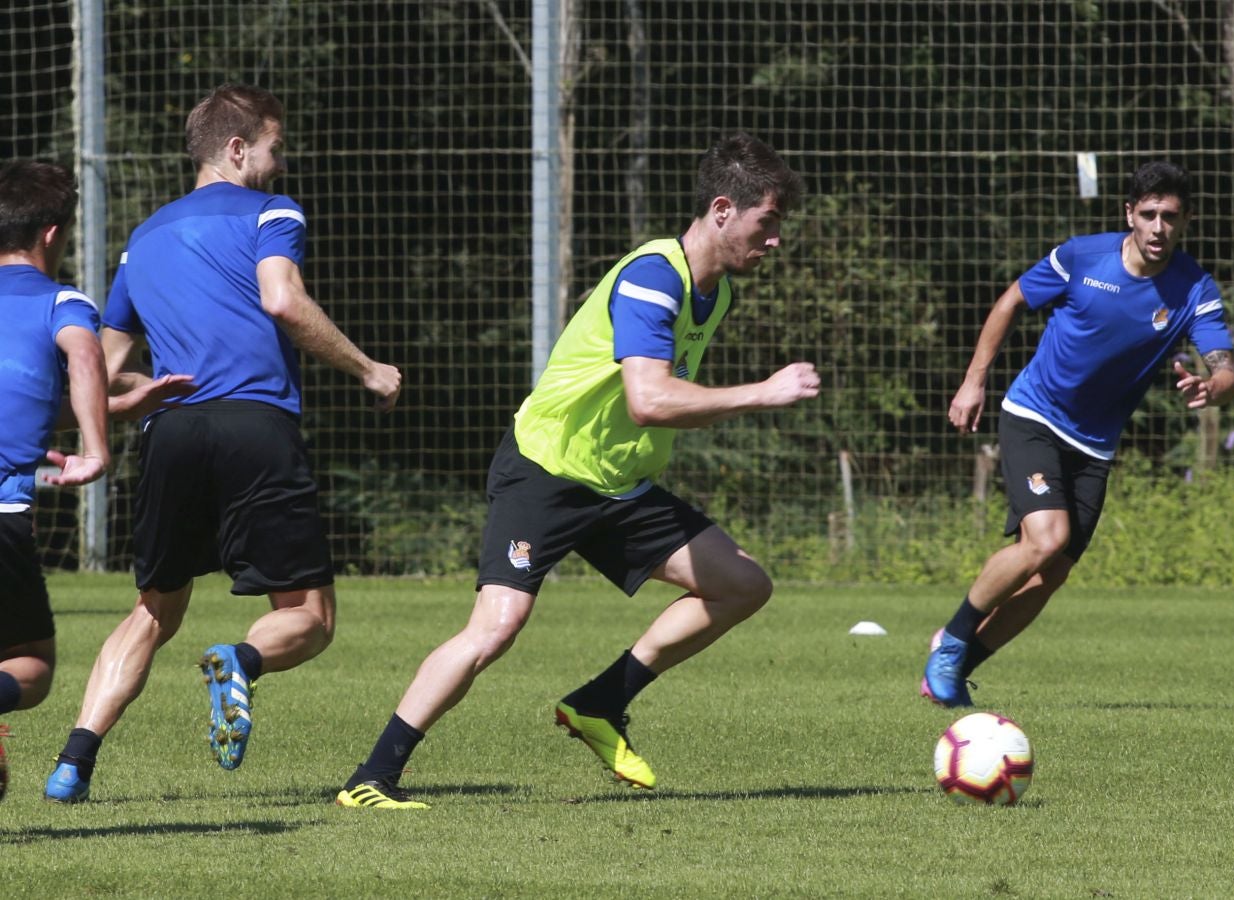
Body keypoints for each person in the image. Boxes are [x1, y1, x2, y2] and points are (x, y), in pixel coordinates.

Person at [336, 133, 817, 809]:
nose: (774, 241)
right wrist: (762, 392)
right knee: (497, 626)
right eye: (767, 224)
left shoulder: (717, 296)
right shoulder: (654, 278)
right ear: (721, 211)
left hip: (618, 484)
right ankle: (371, 778)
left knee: (740, 584)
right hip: (548, 472)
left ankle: (600, 703)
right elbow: (648, 400)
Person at [44, 84, 402, 803]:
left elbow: (103, 373)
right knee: (309, 617)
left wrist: (138, 397)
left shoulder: (142, 238)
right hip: (254, 428)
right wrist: (369, 368)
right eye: (275, 148)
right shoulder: (272, 211)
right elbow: (281, 298)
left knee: (153, 609)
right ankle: (238, 659)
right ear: (237, 150)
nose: (280, 162)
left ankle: (72, 762)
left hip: (169, 434)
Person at [922, 160, 1234, 707]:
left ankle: (952, 674)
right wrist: (973, 383)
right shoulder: (1081, 257)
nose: (1159, 227)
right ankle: (951, 641)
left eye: (1170, 216)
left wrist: (1216, 386)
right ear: (1129, 215)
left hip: (1094, 445)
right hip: (1034, 415)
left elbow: (1227, 364)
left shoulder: (1193, 286)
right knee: (1047, 538)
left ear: (1184, 221)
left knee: (1050, 576)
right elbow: (1011, 301)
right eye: (1149, 214)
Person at [0, 160, 187, 801]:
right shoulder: (63, 302)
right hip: (3, 516)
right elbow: (85, 356)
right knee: (31, 667)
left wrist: (116, 404)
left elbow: (21, 396)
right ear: (52, 234)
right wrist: (98, 450)